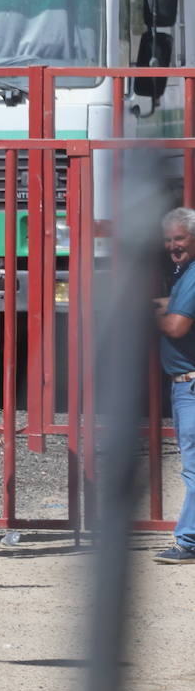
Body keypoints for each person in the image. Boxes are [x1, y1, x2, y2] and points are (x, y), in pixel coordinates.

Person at [153, 207, 195, 564]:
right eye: (168, 239)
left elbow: (178, 326)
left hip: (191, 386)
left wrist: (158, 314)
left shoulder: (193, 274)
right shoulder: (187, 275)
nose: (172, 245)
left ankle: (188, 541)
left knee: (193, 467)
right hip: (185, 385)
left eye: (179, 238)